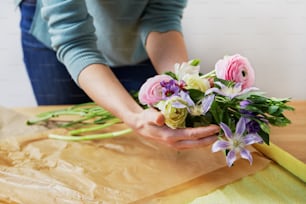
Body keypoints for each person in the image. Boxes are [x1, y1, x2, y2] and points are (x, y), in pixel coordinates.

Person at [17, 0, 220, 150]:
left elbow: (162, 16)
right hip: (54, 29)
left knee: (148, 140)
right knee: (64, 130)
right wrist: (133, 115)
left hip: (133, 33)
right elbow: (74, 41)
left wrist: (184, 83)